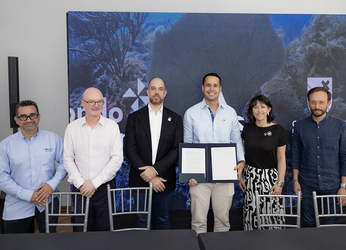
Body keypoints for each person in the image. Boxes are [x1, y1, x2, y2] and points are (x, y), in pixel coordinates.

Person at [183, 73, 245, 234]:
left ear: (220, 88)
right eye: (208, 85)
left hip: (225, 175)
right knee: (198, 222)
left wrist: (242, 161)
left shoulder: (230, 113)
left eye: (215, 85)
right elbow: (188, 145)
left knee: (223, 221)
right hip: (199, 177)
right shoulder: (191, 113)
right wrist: (189, 173)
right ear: (203, 88)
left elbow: (237, 141)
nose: (212, 88)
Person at [0, 100, 66, 233]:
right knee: (16, 244)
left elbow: (65, 162)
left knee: (49, 243)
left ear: (39, 117)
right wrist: (27, 195)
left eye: (32, 115)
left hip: (48, 201)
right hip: (17, 204)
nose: (28, 120)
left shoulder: (53, 138)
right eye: (23, 116)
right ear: (16, 120)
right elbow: (1, 177)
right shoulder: (5, 145)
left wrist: (51, 185)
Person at [125, 78, 183, 229]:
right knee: (142, 220)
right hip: (140, 179)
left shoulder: (175, 119)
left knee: (163, 219)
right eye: (153, 88)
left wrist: (155, 171)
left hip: (164, 181)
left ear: (165, 93)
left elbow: (177, 149)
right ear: (148, 92)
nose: (156, 92)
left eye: (160, 89)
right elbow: (130, 150)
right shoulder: (134, 118)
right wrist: (149, 176)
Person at [63, 87, 123, 231]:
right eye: (91, 102)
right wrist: (82, 184)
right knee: (81, 230)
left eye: (99, 102)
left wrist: (94, 183)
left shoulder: (112, 126)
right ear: (83, 103)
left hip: (105, 188)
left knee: (105, 230)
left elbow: (117, 159)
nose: (96, 105)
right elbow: (68, 159)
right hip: (80, 189)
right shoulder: (72, 128)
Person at [291, 86, 346, 227]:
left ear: (328, 103)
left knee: (331, 223)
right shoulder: (299, 126)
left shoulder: (340, 125)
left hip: (332, 185)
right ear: (308, 103)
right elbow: (296, 155)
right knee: (308, 223)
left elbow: (344, 156)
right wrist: (295, 181)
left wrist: (344, 186)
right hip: (306, 184)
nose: (317, 106)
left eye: (321, 102)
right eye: (313, 102)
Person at [238, 95, 287, 230]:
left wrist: (280, 183)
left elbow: (282, 158)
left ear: (269, 109)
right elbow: (242, 153)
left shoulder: (278, 130)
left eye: (262, 107)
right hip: (250, 178)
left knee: (272, 216)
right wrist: (241, 175)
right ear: (251, 111)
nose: (259, 110)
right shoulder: (247, 129)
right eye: (255, 107)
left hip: (271, 179)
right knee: (251, 216)